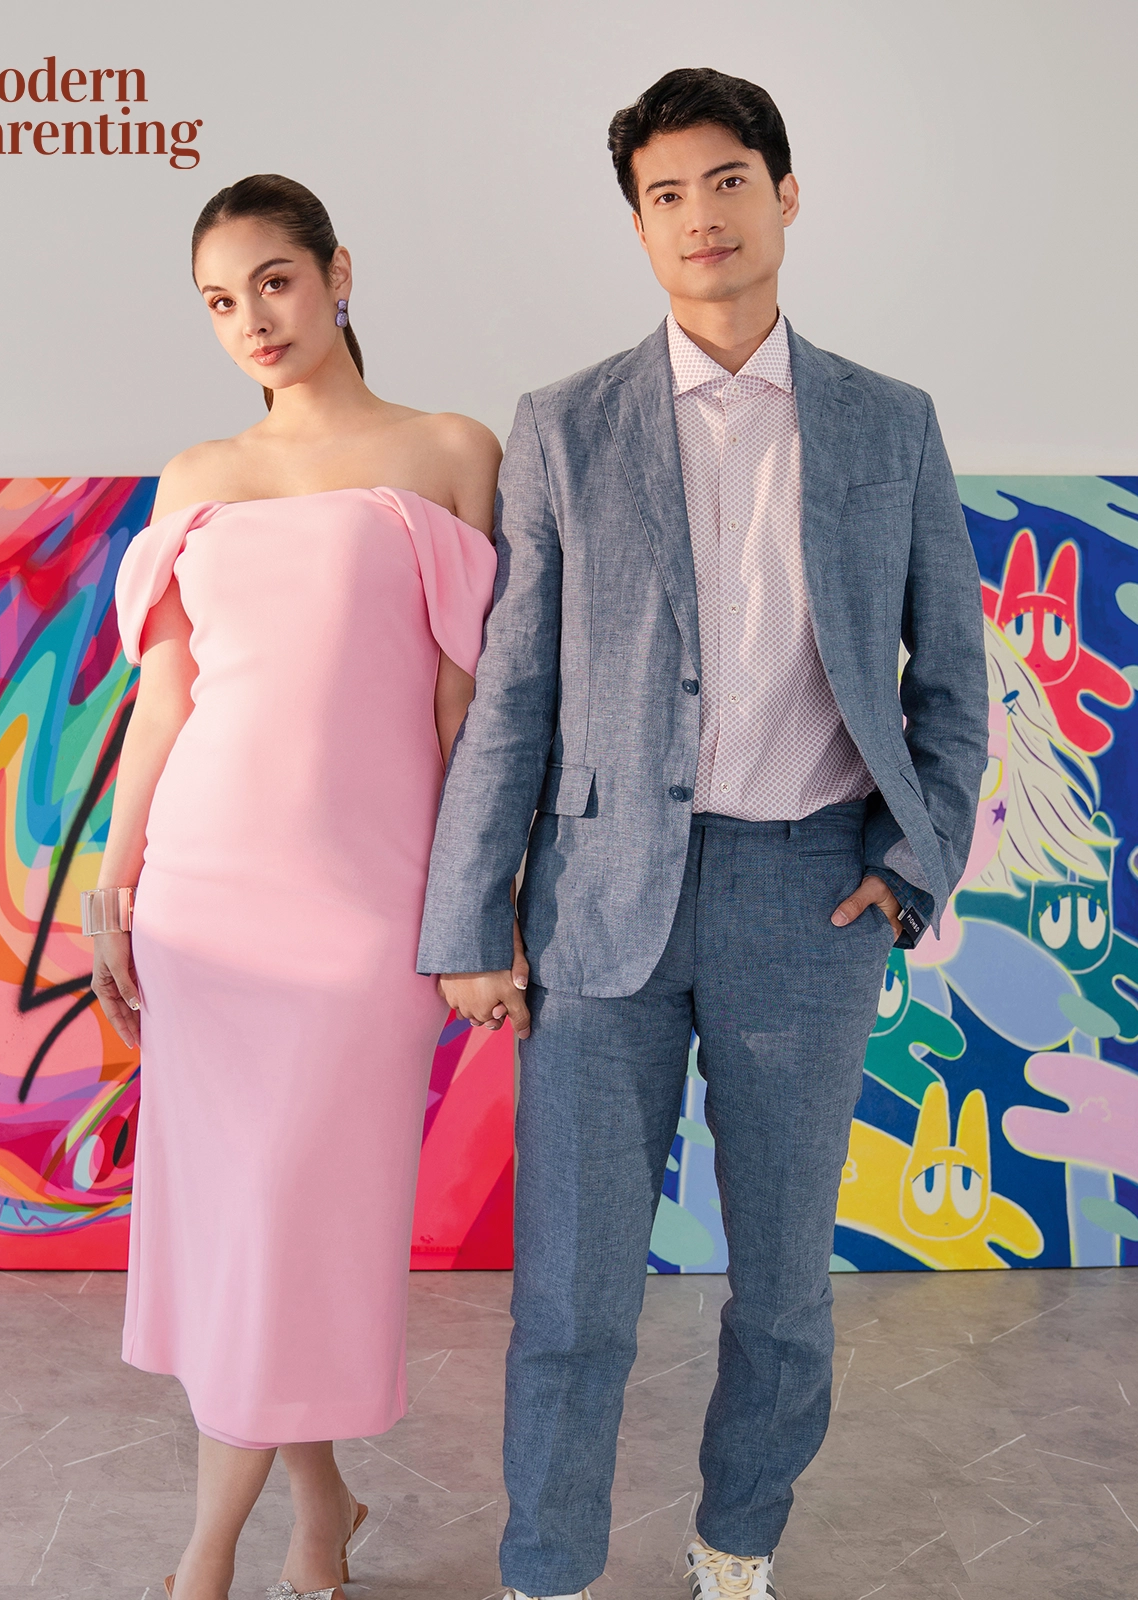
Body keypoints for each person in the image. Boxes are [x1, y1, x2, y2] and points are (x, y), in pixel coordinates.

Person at [417, 68, 987, 1600]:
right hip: (599, 905)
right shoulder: (563, 427)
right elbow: (514, 692)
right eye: (663, 194)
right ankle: (546, 1566)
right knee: (572, 1294)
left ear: (782, 194)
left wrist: (908, 868)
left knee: (784, 1291)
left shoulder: (887, 422)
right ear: (637, 225)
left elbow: (951, 679)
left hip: (809, 900)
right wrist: (469, 920)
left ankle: (736, 1541)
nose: (698, 216)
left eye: (725, 181)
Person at [86, 173, 500, 1600]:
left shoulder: (449, 450)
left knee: (294, 1221)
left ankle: (200, 1565)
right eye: (220, 301)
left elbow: (465, 714)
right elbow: (166, 701)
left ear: (337, 272)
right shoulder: (195, 476)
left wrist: (482, 903)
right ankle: (311, 1518)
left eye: (273, 280)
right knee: (246, 1229)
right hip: (204, 898)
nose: (252, 319)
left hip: (364, 912)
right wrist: (113, 881)